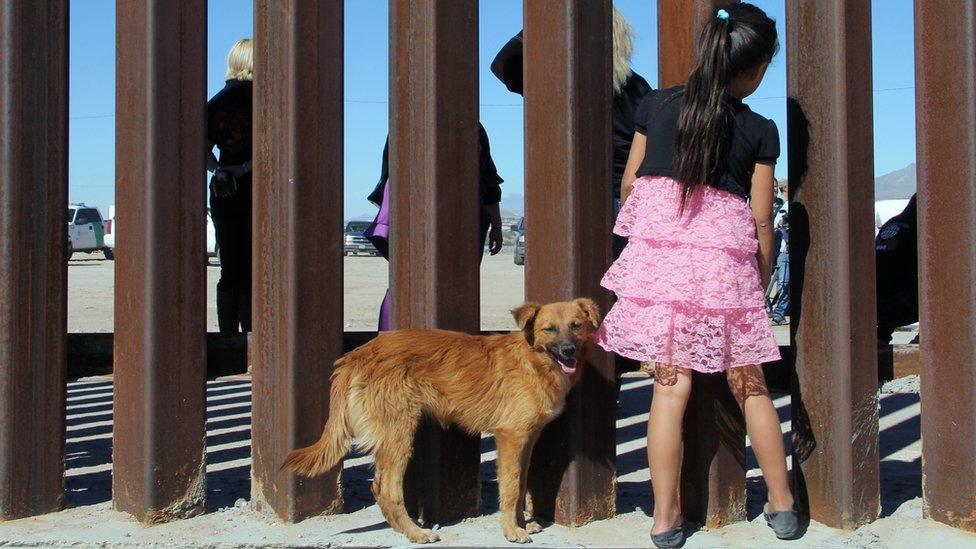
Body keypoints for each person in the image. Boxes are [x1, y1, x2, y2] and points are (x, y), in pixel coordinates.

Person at [595, 4, 798, 546]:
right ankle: (782, 505)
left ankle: (665, 519)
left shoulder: (656, 105)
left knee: (669, 388)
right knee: (751, 386)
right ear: (754, 70)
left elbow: (631, 185)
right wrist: (755, 274)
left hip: (664, 265)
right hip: (723, 266)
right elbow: (760, 218)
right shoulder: (759, 128)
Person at [490, 4, 651, 258]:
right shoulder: (638, 87)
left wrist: (542, 27)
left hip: (567, 195)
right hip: (619, 198)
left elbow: (501, 65)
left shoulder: (558, 83)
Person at [364, 124, 505, 330]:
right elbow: (488, 178)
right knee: (422, 283)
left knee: (411, 282)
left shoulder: (409, 125)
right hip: (448, 214)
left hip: (450, 214)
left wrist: (497, 225)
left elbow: (488, 179)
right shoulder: (468, 125)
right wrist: (496, 225)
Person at [207, 39, 253, 333]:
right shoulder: (264, 100)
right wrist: (245, 168)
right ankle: (251, 337)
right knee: (252, 270)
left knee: (229, 270)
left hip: (224, 193)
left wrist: (220, 170)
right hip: (255, 193)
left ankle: (227, 339)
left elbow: (201, 146)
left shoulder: (216, 103)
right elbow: (275, 148)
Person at [876, 194, 918, 345]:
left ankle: (881, 335)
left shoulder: (892, 223)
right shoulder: (921, 230)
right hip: (907, 306)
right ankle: (924, 337)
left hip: (876, 308)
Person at [771, 181, 790, 324]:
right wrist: (783, 223)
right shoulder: (785, 206)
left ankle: (781, 311)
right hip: (785, 250)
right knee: (783, 282)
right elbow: (778, 223)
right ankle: (779, 312)